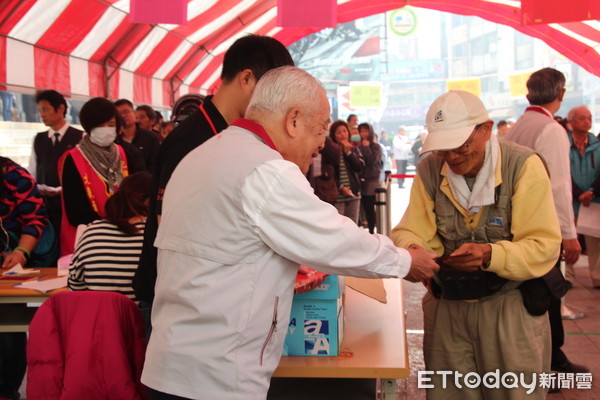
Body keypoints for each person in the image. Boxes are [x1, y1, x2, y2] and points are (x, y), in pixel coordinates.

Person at [141, 66, 439, 400]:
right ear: (293, 120)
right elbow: (334, 239)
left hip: (169, 365)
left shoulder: (202, 156)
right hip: (218, 376)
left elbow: (222, 243)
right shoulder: (266, 170)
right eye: (319, 130)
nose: (320, 145)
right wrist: (404, 261)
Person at [391, 90, 562, 399]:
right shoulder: (430, 169)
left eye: (462, 144)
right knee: (447, 393)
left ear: (486, 129)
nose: (452, 156)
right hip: (448, 307)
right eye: (443, 148)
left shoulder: (522, 166)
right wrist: (413, 250)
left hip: (509, 308)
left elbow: (543, 244)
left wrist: (490, 254)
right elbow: (410, 228)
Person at [133, 35, 295, 319]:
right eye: (272, 90)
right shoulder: (192, 139)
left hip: (207, 295)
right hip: (177, 300)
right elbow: (170, 224)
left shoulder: (233, 134)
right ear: (247, 79)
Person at [504, 68, 588, 378]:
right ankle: (551, 363)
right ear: (561, 94)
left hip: (517, 224)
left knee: (531, 294)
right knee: (548, 295)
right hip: (543, 225)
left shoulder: (516, 128)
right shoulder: (550, 129)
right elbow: (557, 185)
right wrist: (568, 234)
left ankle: (542, 361)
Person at [0, 156, 51, 400]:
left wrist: (21, 252)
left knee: (8, 331)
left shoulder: (13, 175)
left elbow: (36, 218)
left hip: (11, 264)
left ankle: (7, 391)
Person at [59, 97, 129, 256]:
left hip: (120, 238)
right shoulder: (73, 158)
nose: (106, 129)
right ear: (88, 127)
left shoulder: (120, 153)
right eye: (99, 125)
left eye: (111, 125)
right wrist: (110, 227)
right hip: (87, 242)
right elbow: (75, 211)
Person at [68, 172, 152, 302]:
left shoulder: (92, 231)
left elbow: (75, 286)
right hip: (143, 320)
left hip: (99, 319)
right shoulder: (155, 233)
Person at [28, 90, 83, 252]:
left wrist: (62, 190)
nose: (42, 115)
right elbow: (32, 170)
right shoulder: (39, 139)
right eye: (39, 110)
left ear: (60, 109)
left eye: (45, 109)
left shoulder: (80, 137)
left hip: (70, 205)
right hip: (45, 205)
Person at [567, 105, 600, 287]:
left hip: (593, 201)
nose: (587, 121)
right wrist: (578, 193)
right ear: (571, 122)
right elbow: (561, 172)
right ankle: (568, 277)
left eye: (589, 118)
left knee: (594, 240)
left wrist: (592, 191)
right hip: (571, 200)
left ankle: (597, 277)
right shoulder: (564, 144)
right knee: (568, 239)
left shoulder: (597, 144)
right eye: (582, 118)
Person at [324, 120, 363, 224]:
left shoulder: (354, 150)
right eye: (339, 132)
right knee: (338, 226)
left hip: (353, 194)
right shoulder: (330, 151)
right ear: (333, 135)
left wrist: (348, 153)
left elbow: (359, 167)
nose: (342, 135)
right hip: (337, 195)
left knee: (353, 225)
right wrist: (341, 187)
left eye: (344, 131)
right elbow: (329, 173)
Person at [114, 99, 160, 172]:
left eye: (126, 112)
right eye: (119, 113)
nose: (123, 116)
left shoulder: (150, 138)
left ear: (134, 113)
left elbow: (155, 165)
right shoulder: (114, 139)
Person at [357, 122, 382, 233]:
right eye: (362, 131)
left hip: (372, 181)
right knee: (365, 207)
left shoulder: (376, 146)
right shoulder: (358, 147)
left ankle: (373, 230)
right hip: (361, 181)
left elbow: (372, 160)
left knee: (373, 207)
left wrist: (367, 148)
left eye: (366, 131)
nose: (364, 134)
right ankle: (368, 229)